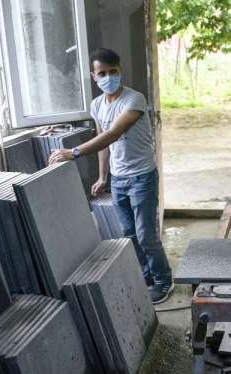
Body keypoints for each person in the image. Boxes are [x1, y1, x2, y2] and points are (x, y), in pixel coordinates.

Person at [49, 48, 173, 304]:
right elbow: (102, 143)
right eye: (102, 73)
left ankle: (163, 281)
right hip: (119, 179)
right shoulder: (96, 105)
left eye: (112, 72)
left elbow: (113, 134)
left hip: (142, 177)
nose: (108, 77)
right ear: (94, 77)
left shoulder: (134, 100)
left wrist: (73, 152)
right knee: (128, 232)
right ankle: (147, 277)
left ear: (120, 71)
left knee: (146, 234)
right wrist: (102, 176)